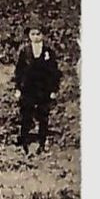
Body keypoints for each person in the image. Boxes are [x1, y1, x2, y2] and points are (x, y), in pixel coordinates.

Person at [12, 26, 62, 156]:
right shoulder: (25, 51)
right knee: (26, 115)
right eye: (32, 34)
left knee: (43, 116)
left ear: (42, 35)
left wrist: (53, 89)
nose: (35, 36)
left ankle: (42, 143)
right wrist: (18, 88)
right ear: (29, 36)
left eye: (38, 34)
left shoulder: (48, 52)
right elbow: (19, 71)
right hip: (27, 89)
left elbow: (54, 72)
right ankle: (23, 143)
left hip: (43, 89)